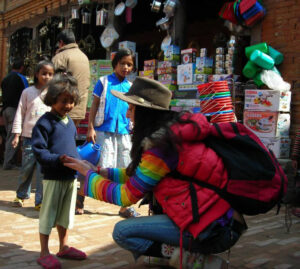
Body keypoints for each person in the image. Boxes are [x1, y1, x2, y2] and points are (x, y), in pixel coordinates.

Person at [63, 77, 247, 268]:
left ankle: (199, 261)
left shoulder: (162, 147)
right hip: (218, 221)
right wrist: (98, 170)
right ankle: (176, 256)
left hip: (213, 228)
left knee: (122, 232)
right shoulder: (170, 136)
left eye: (131, 109)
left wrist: (89, 178)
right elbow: (137, 176)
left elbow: (126, 196)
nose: (127, 114)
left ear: (145, 113)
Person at [31, 72, 86, 269]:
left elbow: (71, 148)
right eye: (64, 101)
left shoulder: (69, 122)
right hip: (53, 177)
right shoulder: (44, 123)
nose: (68, 106)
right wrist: (57, 159)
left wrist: (82, 164)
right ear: (53, 99)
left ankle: (63, 246)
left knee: (65, 214)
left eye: (72, 101)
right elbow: (39, 151)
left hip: (70, 177)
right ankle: (44, 251)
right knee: (48, 214)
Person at [76, 48, 139, 218]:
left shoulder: (131, 87)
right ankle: (80, 197)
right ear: (115, 64)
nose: (126, 67)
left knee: (126, 170)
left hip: (124, 133)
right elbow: (94, 105)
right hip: (103, 131)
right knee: (98, 167)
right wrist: (90, 127)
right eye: (123, 63)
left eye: (130, 65)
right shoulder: (103, 82)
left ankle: (125, 207)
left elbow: (133, 110)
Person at [11, 60, 54, 209]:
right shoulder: (27, 92)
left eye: (50, 74)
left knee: (43, 172)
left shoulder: (53, 94)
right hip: (29, 138)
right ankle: (21, 195)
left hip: (47, 140)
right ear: (37, 74)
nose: (47, 77)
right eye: (44, 73)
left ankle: (40, 201)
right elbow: (20, 114)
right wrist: (17, 135)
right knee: (26, 169)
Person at [52, 29, 90, 127]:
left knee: (58, 138)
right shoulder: (84, 56)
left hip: (63, 107)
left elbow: (52, 82)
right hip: (79, 108)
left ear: (61, 42)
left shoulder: (60, 56)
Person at [1, 58, 29, 170]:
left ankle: (10, 161)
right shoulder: (21, 78)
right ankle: (8, 163)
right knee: (12, 137)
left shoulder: (5, 78)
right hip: (15, 111)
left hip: (5, 110)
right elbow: (27, 93)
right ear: (21, 68)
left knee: (9, 136)